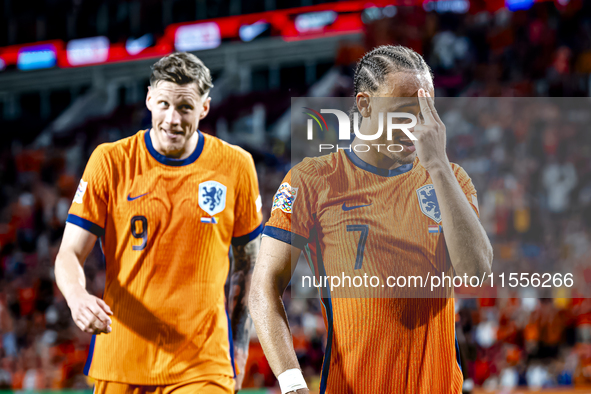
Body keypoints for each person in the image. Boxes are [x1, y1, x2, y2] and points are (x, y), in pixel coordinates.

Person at [250, 45, 493, 394]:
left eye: (427, 110)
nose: (418, 124)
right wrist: (292, 385)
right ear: (364, 104)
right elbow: (263, 288)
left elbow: (477, 272)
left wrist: (438, 166)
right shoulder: (313, 180)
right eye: (404, 110)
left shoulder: (451, 179)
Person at [55, 52, 263, 394]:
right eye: (164, 104)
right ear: (149, 99)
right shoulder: (110, 161)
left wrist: (237, 351)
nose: (172, 118)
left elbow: (248, 266)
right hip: (122, 357)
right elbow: (68, 254)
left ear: (204, 108)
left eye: (185, 107)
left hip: (202, 365)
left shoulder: (236, 166)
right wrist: (77, 297)